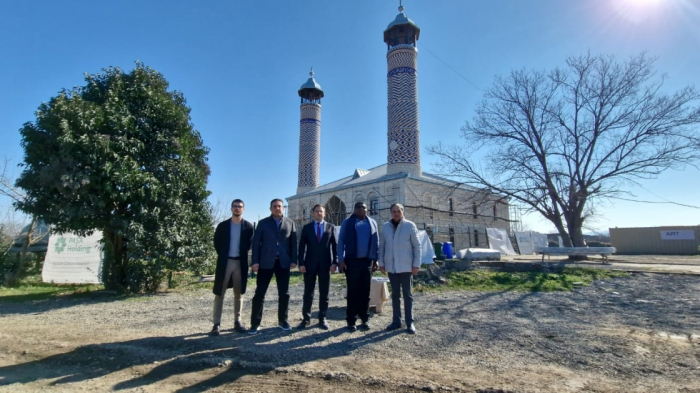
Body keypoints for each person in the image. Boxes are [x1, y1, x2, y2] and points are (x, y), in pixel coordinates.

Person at [249, 198, 298, 334]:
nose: (277, 208)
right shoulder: (263, 223)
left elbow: (293, 243)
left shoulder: (290, 223)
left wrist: (294, 259)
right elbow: (256, 244)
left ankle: (283, 321)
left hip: (283, 263)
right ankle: (255, 323)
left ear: (283, 208)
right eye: (275, 206)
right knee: (260, 293)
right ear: (270, 208)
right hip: (266, 262)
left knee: (284, 293)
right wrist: (255, 261)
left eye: (280, 206)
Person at [211, 199, 255, 335]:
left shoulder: (248, 227)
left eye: (240, 207)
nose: (237, 209)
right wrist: (225, 255)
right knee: (220, 293)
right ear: (231, 209)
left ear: (244, 209)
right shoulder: (223, 226)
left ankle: (238, 321)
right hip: (225, 262)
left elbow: (249, 245)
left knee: (239, 293)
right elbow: (216, 243)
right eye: (235, 206)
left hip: (240, 263)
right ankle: (216, 324)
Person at [378, 203, 421, 334]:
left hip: (407, 266)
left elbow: (417, 246)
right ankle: (396, 321)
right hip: (392, 267)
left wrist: (416, 264)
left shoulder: (410, 226)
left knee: (408, 295)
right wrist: (381, 263)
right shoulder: (385, 227)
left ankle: (410, 322)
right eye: (394, 211)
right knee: (395, 295)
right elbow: (382, 247)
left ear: (403, 212)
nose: (396, 213)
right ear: (391, 212)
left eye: (399, 211)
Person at [337, 201, 379, 332]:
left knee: (365, 292)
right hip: (352, 261)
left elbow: (376, 242)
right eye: (359, 207)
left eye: (364, 207)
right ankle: (351, 321)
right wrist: (341, 260)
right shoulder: (347, 222)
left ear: (367, 210)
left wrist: (375, 259)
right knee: (353, 292)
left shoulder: (372, 222)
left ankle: (365, 319)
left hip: (367, 262)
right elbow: (341, 241)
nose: (362, 209)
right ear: (354, 210)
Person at [297, 204, 338, 330]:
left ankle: (322, 318)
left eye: (321, 211)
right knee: (308, 293)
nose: (319, 213)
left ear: (324, 214)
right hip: (309, 265)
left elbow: (335, 246)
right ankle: (306, 318)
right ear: (313, 213)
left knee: (324, 293)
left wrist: (335, 262)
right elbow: (302, 247)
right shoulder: (307, 228)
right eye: (317, 211)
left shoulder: (330, 227)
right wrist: (301, 263)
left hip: (326, 265)